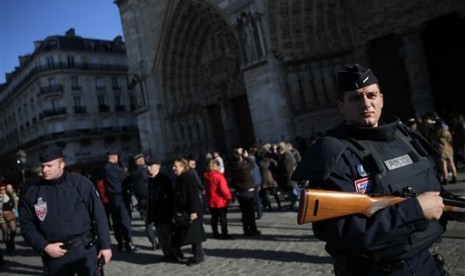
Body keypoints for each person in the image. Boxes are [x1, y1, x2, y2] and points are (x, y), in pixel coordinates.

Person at [292, 64, 464, 276]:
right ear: (341, 106)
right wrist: (415, 211)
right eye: (355, 98)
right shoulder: (333, 153)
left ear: (381, 98)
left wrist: (451, 208)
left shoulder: (405, 137)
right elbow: (344, 233)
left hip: (424, 263)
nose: (366, 103)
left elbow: (430, 190)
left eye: (371, 95)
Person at [20, 144, 112, 275]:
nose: (45, 170)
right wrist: (44, 246)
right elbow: (26, 225)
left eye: (49, 166)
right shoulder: (33, 193)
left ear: (61, 165)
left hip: (84, 250)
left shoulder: (81, 184)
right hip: (54, 255)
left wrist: (105, 246)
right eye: (43, 166)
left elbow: (99, 215)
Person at [172, 157, 207, 266]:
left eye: (176, 166)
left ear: (182, 166)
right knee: (190, 233)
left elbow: (193, 195)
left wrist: (193, 211)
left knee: (194, 234)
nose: (173, 168)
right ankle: (198, 254)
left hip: (192, 210)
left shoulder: (189, 177)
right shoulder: (180, 178)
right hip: (184, 211)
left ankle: (198, 256)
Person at [103, 149, 137, 252]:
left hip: (111, 198)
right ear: (113, 157)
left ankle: (120, 243)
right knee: (124, 219)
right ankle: (128, 242)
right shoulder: (114, 168)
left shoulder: (105, 168)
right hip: (119, 196)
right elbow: (125, 178)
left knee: (116, 220)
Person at [146, 158, 176, 261]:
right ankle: (166, 253)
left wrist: (171, 211)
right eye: (148, 166)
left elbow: (170, 196)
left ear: (158, 166)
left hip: (165, 211)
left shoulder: (164, 178)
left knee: (168, 235)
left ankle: (174, 253)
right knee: (161, 236)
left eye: (151, 166)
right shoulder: (150, 179)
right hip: (156, 213)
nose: (149, 168)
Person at [228, 148, 261, 236]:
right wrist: (247, 157)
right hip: (248, 190)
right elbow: (253, 164)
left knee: (244, 212)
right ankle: (253, 229)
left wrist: (236, 154)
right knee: (250, 212)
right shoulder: (244, 167)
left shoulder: (232, 167)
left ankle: (246, 229)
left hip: (239, 191)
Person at [129, 153, 158, 249]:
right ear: (141, 161)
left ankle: (153, 241)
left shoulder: (132, 174)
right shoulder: (146, 171)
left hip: (141, 201)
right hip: (150, 199)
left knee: (148, 223)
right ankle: (161, 240)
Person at [203, 159, 233, 239]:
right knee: (223, 218)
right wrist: (229, 197)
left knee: (214, 218)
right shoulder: (219, 176)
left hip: (211, 200)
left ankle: (215, 233)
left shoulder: (206, 176)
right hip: (220, 200)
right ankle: (224, 232)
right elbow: (224, 189)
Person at [431, 119, 457, 185]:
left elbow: (433, 140)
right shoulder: (447, 131)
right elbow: (450, 140)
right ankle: (454, 177)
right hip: (449, 149)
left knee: (444, 166)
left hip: (442, 150)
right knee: (452, 164)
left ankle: (445, 179)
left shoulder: (437, 132)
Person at [1, 184, 17, 252]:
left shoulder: (9, 195)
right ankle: (8, 245)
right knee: (5, 231)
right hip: (1, 215)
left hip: (10, 213)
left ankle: (11, 241)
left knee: (13, 230)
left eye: (4, 189)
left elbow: (14, 203)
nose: (3, 190)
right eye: (1, 189)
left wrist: (14, 210)